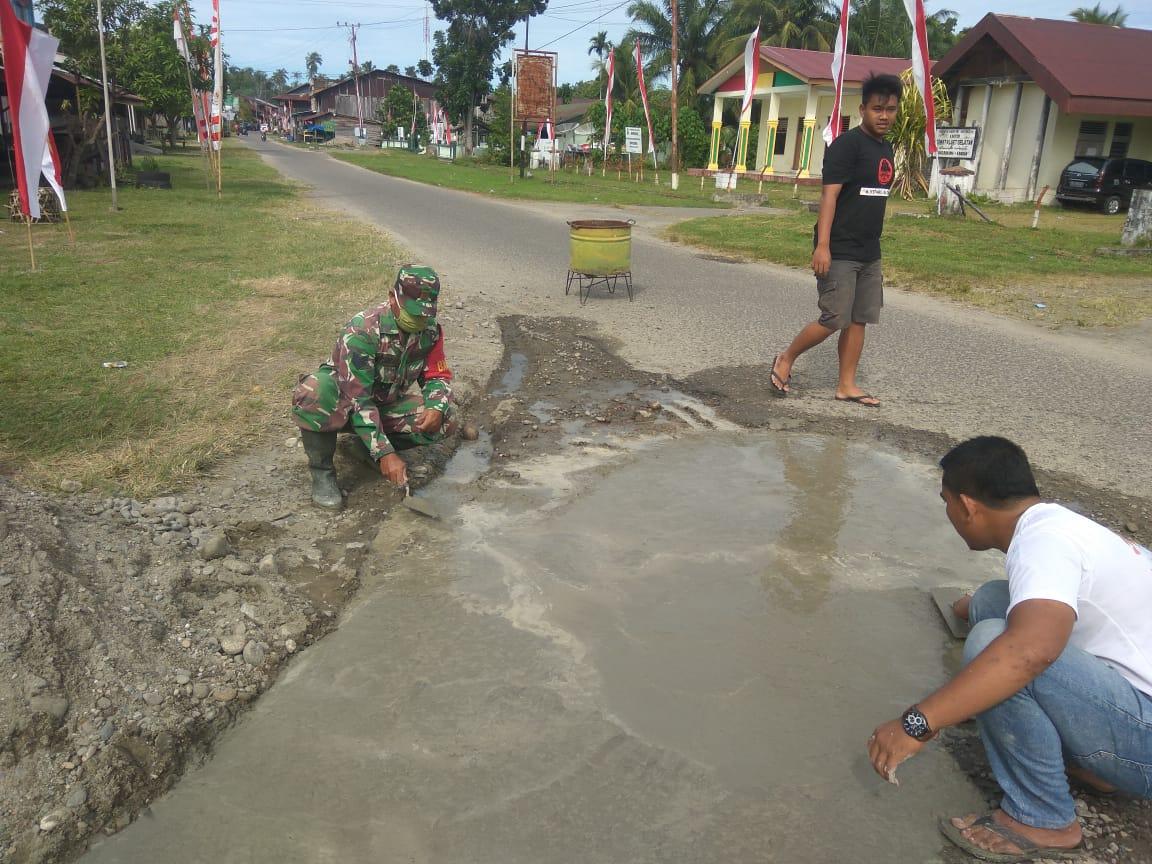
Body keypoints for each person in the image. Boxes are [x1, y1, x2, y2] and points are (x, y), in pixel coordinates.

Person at [867, 436, 1152, 861]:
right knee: (993, 602)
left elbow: (1029, 653)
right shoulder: (1059, 524)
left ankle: (1044, 819)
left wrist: (917, 722)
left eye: (946, 502)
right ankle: (1099, 770)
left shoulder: (1043, 546)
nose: (948, 513)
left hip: (1144, 740)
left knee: (995, 646)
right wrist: (978, 604)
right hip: (1136, 698)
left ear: (967, 505)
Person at [769, 73, 902, 408]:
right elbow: (829, 198)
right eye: (877, 109)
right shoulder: (847, 146)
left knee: (860, 319)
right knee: (833, 318)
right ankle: (785, 358)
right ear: (862, 109)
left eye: (890, 109)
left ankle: (846, 384)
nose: (884, 115)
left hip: (870, 251)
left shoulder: (885, 148)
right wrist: (823, 245)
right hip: (840, 248)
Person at [291, 265, 456, 509]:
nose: (420, 319)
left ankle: (362, 448)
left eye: (425, 314)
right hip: (342, 406)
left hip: (384, 407)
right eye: (413, 312)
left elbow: (437, 376)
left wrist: (435, 405)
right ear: (393, 298)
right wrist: (386, 454)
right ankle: (322, 472)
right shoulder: (362, 331)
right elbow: (359, 400)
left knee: (446, 417)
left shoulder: (429, 332)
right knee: (314, 390)